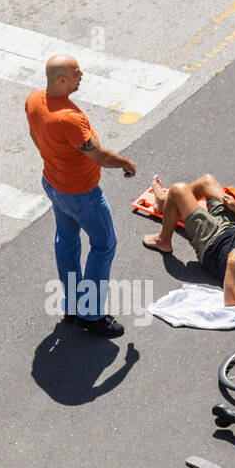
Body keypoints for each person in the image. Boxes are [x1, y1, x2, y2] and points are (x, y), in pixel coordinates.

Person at [25, 54, 137, 338]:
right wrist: (125, 162)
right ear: (62, 80)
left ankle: (73, 304)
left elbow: (35, 136)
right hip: (81, 193)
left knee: (67, 242)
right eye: (76, 73)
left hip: (53, 184)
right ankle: (91, 312)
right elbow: (97, 154)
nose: (82, 75)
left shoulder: (34, 100)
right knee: (103, 245)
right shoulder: (69, 119)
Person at [140, 174, 235, 307]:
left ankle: (163, 240)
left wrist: (231, 263)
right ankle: (165, 203)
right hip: (233, 227)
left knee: (178, 190)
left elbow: (232, 300)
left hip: (212, 243)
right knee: (207, 181)